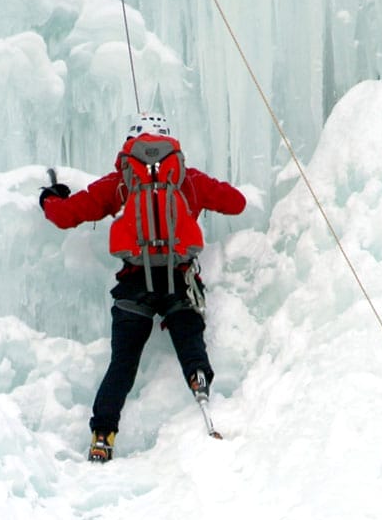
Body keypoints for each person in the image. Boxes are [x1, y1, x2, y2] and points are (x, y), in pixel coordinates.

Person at [39, 113, 246, 462]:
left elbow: (66, 215)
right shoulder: (186, 179)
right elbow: (236, 202)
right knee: (190, 343)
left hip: (134, 283)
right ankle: (200, 388)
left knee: (123, 362)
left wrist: (51, 197)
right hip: (179, 281)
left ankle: (103, 434)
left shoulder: (122, 181)